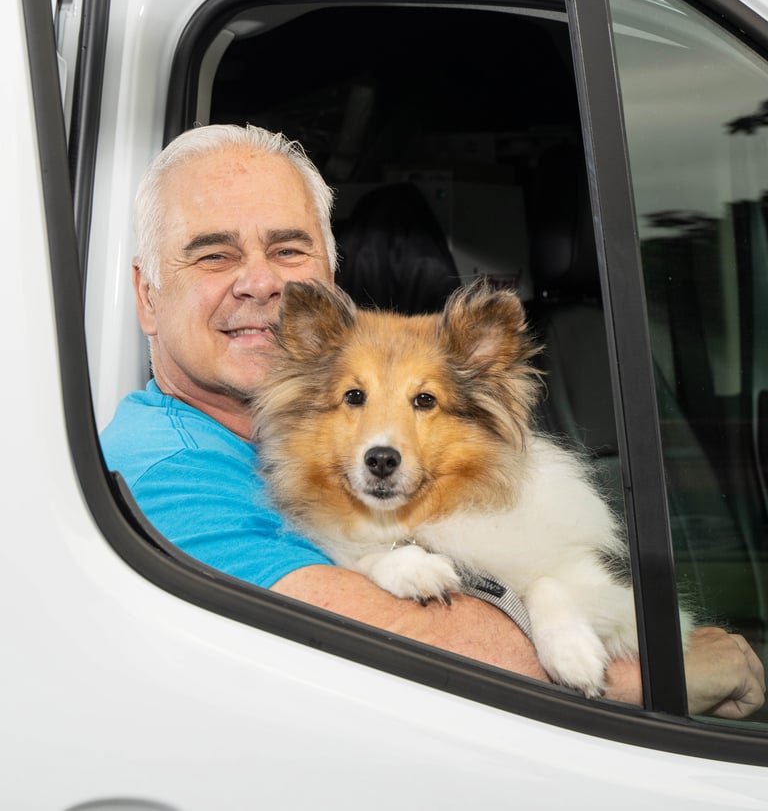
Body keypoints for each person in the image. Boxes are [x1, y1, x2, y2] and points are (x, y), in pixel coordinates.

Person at [100, 124, 765, 718]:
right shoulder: (163, 473)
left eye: (288, 250)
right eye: (214, 254)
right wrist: (660, 679)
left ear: (331, 275)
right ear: (147, 295)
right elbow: (406, 637)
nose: (259, 283)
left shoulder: (278, 441)